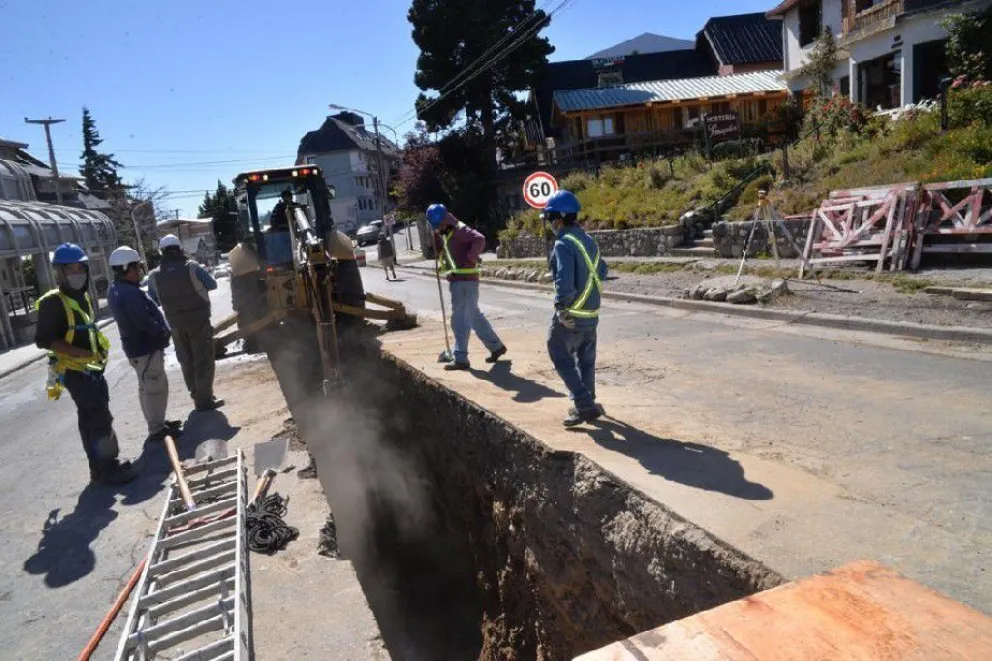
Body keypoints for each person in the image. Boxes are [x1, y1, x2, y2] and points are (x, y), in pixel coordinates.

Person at [34, 243, 135, 484]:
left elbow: (87, 330)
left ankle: (98, 469)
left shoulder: (84, 297)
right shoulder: (53, 302)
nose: (76, 273)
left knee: (90, 417)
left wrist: (97, 353)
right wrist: (78, 353)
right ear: (59, 272)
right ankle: (109, 467)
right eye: (70, 269)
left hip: (92, 370)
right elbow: (44, 340)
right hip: (74, 370)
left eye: (80, 268)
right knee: (99, 417)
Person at [542, 190, 609, 427]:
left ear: (559, 217)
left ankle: (583, 404)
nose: (550, 224)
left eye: (550, 218)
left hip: (572, 316)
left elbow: (564, 281)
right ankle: (588, 402)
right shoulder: (588, 241)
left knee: (558, 352)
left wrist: (561, 306)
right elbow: (602, 271)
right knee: (586, 361)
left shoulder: (563, 244)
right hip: (591, 315)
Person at [107, 246, 182, 443]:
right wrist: (159, 334)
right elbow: (143, 321)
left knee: (146, 387)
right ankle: (157, 429)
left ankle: (156, 422)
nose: (139, 271)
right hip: (145, 347)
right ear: (126, 268)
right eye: (136, 267)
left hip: (137, 348)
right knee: (155, 387)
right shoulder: (129, 293)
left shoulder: (117, 289)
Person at [425, 203, 507, 371]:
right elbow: (448, 250)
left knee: (460, 320)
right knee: (474, 316)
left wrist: (470, 257)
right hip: (460, 279)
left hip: (464, 280)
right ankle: (496, 346)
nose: (437, 228)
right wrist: (441, 256)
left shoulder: (460, 230)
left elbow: (480, 239)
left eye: (438, 224)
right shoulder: (446, 231)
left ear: (445, 219)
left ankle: (461, 357)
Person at [147, 234, 224, 411]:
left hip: (175, 324)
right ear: (180, 249)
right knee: (203, 358)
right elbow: (212, 285)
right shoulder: (192, 267)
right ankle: (205, 400)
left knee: (186, 360)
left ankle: (197, 396)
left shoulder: (154, 275)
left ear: (162, 252)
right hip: (199, 321)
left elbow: (153, 299)